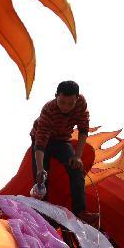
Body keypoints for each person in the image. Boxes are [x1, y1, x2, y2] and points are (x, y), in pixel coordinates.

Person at [30, 80, 100, 225]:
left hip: (62, 141)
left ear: (77, 99)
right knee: (42, 177)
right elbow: (40, 142)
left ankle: (80, 211)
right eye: (62, 102)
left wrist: (77, 156)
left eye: (70, 104)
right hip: (42, 140)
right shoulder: (48, 110)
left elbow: (83, 129)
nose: (65, 107)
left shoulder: (81, 104)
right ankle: (42, 212)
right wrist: (40, 168)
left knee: (76, 170)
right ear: (56, 96)